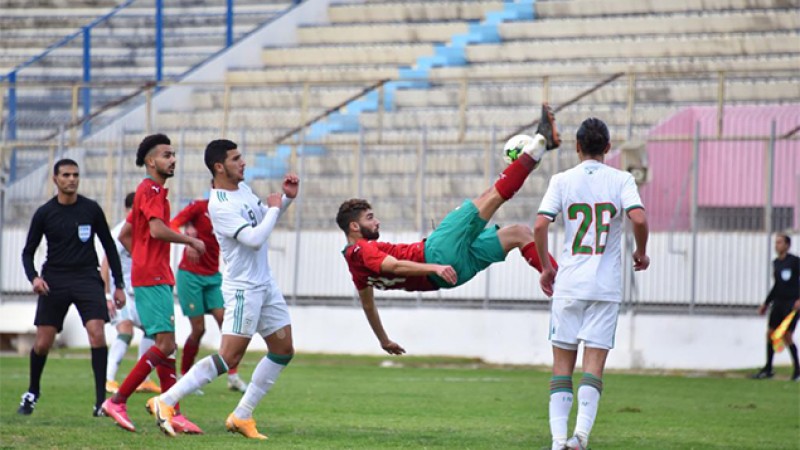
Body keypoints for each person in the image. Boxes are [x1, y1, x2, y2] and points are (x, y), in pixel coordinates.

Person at [337, 104, 560, 355]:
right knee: (491, 197)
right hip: (436, 255)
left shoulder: (356, 268)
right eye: (369, 218)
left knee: (519, 234)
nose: (376, 222)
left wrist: (383, 340)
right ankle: (540, 143)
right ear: (354, 226)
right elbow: (393, 266)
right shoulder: (361, 249)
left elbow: (368, 305)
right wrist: (434, 265)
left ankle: (560, 285)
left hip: (453, 274)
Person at [147, 139, 298, 439]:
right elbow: (254, 239)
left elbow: (266, 219)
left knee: (283, 350)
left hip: (264, 284)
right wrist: (273, 208)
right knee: (229, 357)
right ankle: (165, 400)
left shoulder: (242, 191)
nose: (243, 163)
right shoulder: (220, 205)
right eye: (236, 159)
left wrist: (286, 200)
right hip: (244, 289)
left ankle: (242, 415)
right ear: (219, 166)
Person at [532, 117, 650, 450]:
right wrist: (642, 253)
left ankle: (557, 442)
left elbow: (540, 226)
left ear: (577, 146)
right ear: (608, 148)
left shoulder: (562, 180)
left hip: (569, 284)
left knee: (561, 367)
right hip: (605, 287)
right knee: (593, 367)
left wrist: (545, 267)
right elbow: (638, 218)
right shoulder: (622, 179)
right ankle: (580, 438)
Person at [102, 134, 206, 434]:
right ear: (151, 161)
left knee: (167, 344)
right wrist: (190, 240)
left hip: (152, 274)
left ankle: (173, 410)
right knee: (165, 344)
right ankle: (118, 400)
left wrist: (142, 258)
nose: (172, 159)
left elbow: (125, 235)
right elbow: (158, 230)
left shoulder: (148, 191)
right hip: (154, 277)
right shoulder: (152, 190)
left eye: (173, 154)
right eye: (166, 155)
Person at [18, 158, 126, 417]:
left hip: (87, 278)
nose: (71, 179)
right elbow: (27, 252)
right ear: (55, 179)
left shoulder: (91, 210)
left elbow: (110, 247)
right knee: (43, 343)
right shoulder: (45, 213)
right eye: (65, 175)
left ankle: (101, 402)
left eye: (75, 175)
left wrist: (118, 285)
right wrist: (34, 278)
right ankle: (33, 391)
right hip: (54, 279)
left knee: (97, 333)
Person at [170, 196, 248, 392]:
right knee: (198, 329)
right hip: (190, 276)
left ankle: (233, 376)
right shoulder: (199, 207)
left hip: (213, 277)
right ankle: (185, 375)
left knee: (228, 324)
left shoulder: (231, 210)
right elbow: (172, 224)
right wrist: (187, 238)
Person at [100, 192, 160, 395]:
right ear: (129, 210)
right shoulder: (119, 232)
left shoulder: (144, 231)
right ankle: (107, 379)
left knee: (152, 331)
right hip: (123, 293)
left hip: (141, 293)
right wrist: (107, 295)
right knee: (125, 331)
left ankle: (143, 379)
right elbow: (106, 264)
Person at [752, 232, 800, 381]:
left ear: (787, 245)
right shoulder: (776, 263)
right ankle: (768, 368)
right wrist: (766, 303)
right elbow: (777, 286)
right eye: (775, 242)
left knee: (786, 336)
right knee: (770, 333)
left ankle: (797, 371)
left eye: (779, 242)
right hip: (778, 303)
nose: (776, 245)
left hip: (792, 304)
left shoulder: (795, 261)